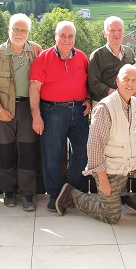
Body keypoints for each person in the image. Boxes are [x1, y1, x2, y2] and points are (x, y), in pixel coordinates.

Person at [54, 65, 136, 224]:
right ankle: (72, 195)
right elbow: (94, 146)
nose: (130, 84)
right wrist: (103, 178)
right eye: (126, 79)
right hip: (111, 168)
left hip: (132, 161)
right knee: (111, 216)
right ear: (118, 81)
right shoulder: (105, 107)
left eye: (134, 80)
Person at [29, 21, 91, 212]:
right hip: (52, 111)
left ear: (74, 38)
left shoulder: (81, 57)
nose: (66, 39)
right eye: (62, 35)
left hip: (79, 112)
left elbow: (89, 81)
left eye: (70, 36)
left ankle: (72, 193)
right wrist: (36, 115)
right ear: (55, 36)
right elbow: (34, 88)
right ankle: (54, 194)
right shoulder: (44, 57)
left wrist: (88, 98)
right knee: (52, 154)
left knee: (81, 152)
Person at [0, 13, 42, 211]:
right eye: (16, 29)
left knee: (27, 151)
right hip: (5, 108)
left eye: (23, 30)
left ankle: (27, 194)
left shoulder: (35, 52)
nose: (19, 33)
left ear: (28, 32)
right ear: (9, 30)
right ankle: (8, 191)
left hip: (27, 108)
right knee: (6, 151)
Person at [88, 16, 136, 103]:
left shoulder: (129, 52)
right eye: (112, 30)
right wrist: (116, 94)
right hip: (102, 103)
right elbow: (93, 83)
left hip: (127, 101)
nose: (116, 34)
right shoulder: (97, 55)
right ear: (104, 33)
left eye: (119, 30)